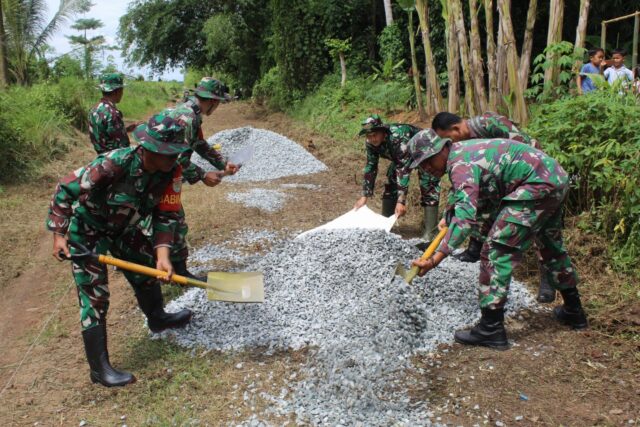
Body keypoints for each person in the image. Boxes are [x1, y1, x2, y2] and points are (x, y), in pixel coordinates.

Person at [48, 113, 193, 387]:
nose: (174, 159)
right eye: (169, 154)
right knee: (95, 293)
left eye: (177, 153)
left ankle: (158, 318)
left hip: (124, 229)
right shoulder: (113, 164)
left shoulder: (171, 172)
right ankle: (99, 369)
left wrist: (163, 256)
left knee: (148, 268)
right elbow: (65, 190)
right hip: (88, 230)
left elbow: (167, 215)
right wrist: (59, 235)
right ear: (150, 148)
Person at [407, 129, 587, 350]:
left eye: (428, 161)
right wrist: (448, 215)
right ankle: (573, 311)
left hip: (536, 185)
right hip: (554, 178)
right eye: (421, 166)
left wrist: (436, 258)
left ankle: (491, 328)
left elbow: (465, 218)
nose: (427, 168)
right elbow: (465, 197)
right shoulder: (463, 154)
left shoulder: (460, 165)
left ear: (442, 148)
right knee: (550, 245)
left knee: (495, 251)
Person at [431, 111, 555, 303]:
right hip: (500, 183)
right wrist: (449, 211)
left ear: (456, 129)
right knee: (476, 207)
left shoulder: (489, 125)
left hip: (531, 177)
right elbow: (461, 185)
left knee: (541, 229)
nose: (446, 145)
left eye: (447, 139)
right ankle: (475, 249)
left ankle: (548, 279)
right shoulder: (460, 147)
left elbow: (525, 148)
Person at [163, 77, 239, 280]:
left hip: (166, 175)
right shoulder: (187, 118)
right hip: (161, 176)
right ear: (213, 101)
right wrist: (203, 175)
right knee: (174, 220)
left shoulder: (191, 113)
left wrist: (223, 164)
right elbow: (177, 159)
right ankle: (178, 272)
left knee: (170, 220)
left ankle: (173, 269)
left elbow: (200, 144)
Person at [354, 114, 441, 241]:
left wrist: (401, 201)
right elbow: (371, 166)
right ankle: (386, 224)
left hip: (426, 151)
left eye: (374, 135)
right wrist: (364, 196)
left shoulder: (397, 137)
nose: (372, 139)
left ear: (383, 132)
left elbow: (403, 169)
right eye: (368, 136)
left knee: (428, 184)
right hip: (401, 157)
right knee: (391, 179)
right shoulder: (370, 143)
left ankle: (430, 233)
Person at [88, 72, 141, 154]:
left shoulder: (94, 109)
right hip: (115, 160)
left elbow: (106, 135)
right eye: (122, 90)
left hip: (101, 158)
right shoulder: (112, 113)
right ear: (117, 91)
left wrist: (126, 129)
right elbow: (121, 145)